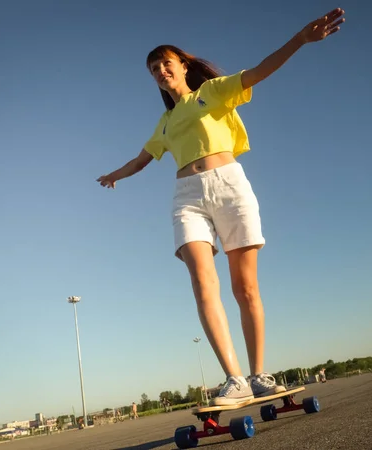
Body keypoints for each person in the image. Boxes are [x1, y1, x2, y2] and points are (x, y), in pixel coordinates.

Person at [97, 8, 345, 406]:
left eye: (165, 63)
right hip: (187, 198)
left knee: (244, 287)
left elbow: (260, 70)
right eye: (153, 68)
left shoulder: (212, 93)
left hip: (229, 186)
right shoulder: (164, 123)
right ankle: (235, 379)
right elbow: (141, 160)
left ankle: (259, 374)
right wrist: (114, 175)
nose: (160, 70)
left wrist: (300, 39)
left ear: (182, 66)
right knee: (202, 283)